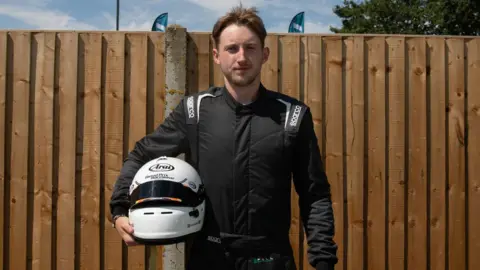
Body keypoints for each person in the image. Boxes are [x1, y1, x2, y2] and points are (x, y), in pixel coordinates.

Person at [110, 5, 338, 270]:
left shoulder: (293, 116)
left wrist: (323, 261)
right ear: (217, 56)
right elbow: (142, 153)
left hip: (271, 260)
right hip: (209, 258)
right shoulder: (195, 111)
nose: (242, 57)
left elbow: (315, 194)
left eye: (250, 48)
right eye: (232, 48)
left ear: (264, 54)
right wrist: (119, 210)